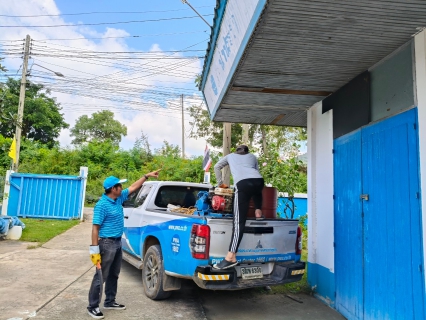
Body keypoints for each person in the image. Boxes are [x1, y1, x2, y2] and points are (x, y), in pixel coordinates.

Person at [87, 171, 159, 319]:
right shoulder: (101, 205)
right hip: (106, 244)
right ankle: (92, 306)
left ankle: (110, 301)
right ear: (114, 188)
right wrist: (94, 250)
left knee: (114, 274)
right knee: (101, 276)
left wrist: (146, 176)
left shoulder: (118, 199)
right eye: (120, 186)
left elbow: (133, 187)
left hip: (117, 243)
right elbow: (95, 228)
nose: (122, 188)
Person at [213, 145, 264, 270]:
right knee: (255, 187)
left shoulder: (230, 156)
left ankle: (230, 257)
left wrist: (220, 183)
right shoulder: (252, 156)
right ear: (247, 152)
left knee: (238, 222)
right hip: (259, 182)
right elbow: (254, 174)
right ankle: (258, 211)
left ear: (236, 152)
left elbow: (216, 167)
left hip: (243, 184)